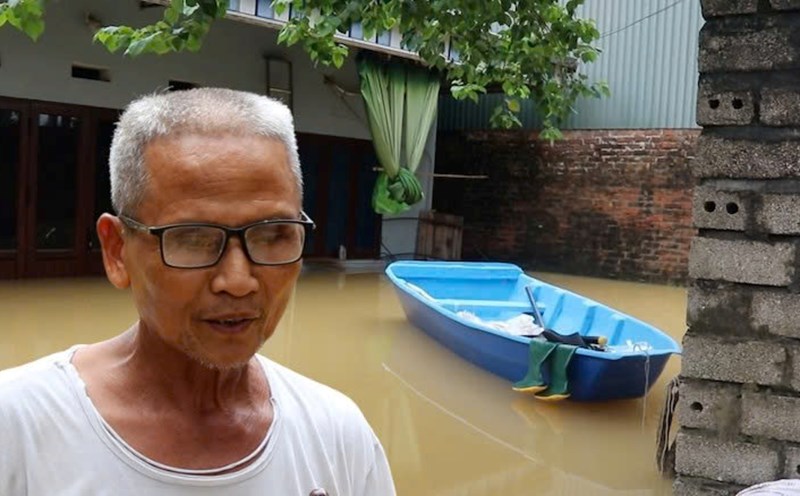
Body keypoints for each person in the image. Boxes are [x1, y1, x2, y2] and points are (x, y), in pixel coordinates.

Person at [0, 88, 396, 495]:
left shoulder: (338, 437)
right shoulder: (18, 430)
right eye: (193, 238)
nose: (238, 281)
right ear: (117, 252)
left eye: (273, 234)